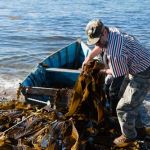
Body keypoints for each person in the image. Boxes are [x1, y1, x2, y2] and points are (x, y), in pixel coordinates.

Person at [83, 18, 150, 146]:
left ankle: (129, 136)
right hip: (139, 63)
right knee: (125, 98)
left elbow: (118, 73)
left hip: (143, 73)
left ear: (104, 33)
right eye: (94, 42)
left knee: (123, 107)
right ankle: (139, 128)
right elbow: (99, 47)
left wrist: (100, 71)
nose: (97, 45)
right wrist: (88, 58)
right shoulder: (111, 31)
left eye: (98, 41)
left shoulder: (115, 53)